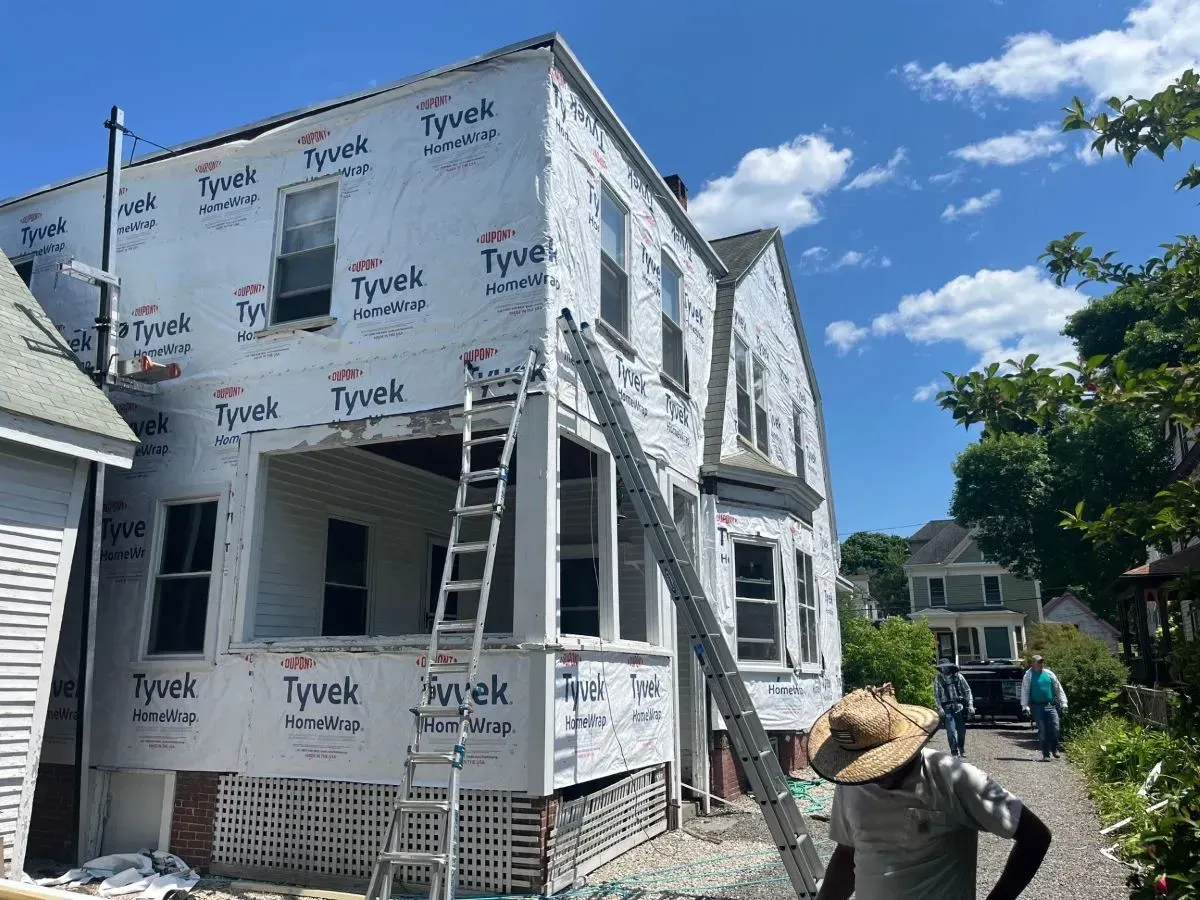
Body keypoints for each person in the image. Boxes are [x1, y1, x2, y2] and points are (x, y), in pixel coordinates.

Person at [810, 684, 1052, 900]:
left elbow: (1035, 836)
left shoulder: (953, 777)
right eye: (863, 766)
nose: (873, 776)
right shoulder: (852, 779)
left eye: (881, 765)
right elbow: (848, 851)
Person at [1021, 655, 1068, 761]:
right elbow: (1025, 691)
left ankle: (1054, 747)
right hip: (1037, 706)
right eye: (1038, 662)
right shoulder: (1028, 676)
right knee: (1043, 730)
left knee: (1055, 728)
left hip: (1051, 705)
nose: (1040, 664)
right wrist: (1025, 707)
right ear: (1033, 663)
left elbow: (1058, 688)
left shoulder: (1049, 674)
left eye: (1041, 662)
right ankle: (1046, 754)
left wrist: (1064, 703)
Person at [934, 659, 975, 758]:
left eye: (946, 667)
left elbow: (967, 690)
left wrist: (970, 705)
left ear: (950, 667)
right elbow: (936, 695)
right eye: (942, 667)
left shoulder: (958, 677)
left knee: (961, 730)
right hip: (947, 707)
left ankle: (961, 747)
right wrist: (939, 708)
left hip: (959, 706)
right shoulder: (938, 679)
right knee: (950, 730)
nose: (944, 669)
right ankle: (954, 751)